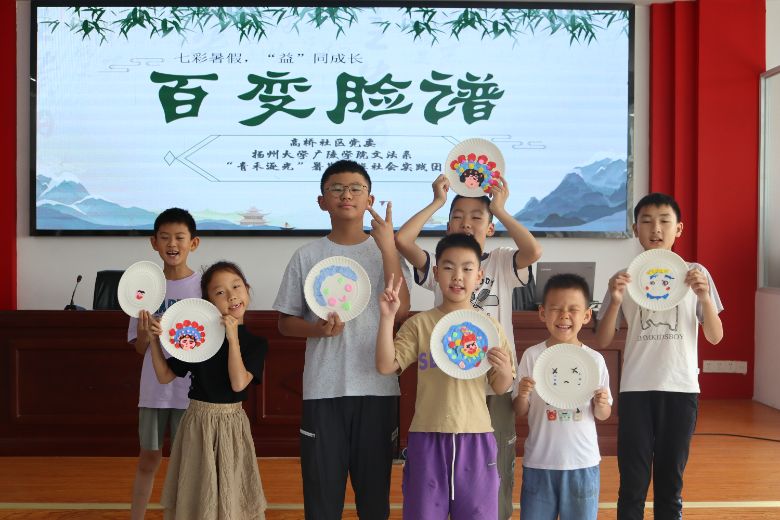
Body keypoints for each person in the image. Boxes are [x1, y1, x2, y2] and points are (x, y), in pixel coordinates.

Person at [395, 173, 542, 520]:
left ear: (489, 227)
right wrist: (436, 201)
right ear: (447, 226)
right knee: (435, 488)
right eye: (458, 216)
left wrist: (501, 209)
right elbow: (402, 239)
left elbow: (533, 251)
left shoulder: (501, 260)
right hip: (449, 388)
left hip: (495, 380)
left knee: (492, 477)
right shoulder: (441, 264)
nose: (466, 222)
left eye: (477, 217)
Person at [273, 160, 412, 520]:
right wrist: (317, 330)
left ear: (370, 200)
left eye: (355, 188)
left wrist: (388, 247)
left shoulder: (386, 252)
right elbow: (285, 323)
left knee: (374, 501)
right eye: (336, 188)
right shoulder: (307, 255)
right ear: (322, 201)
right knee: (322, 500)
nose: (346, 195)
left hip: (378, 390)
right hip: (323, 390)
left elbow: (402, 310)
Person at [594, 192, 724, 520]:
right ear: (635, 229)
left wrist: (705, 298)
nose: (656, 228)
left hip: (681, 388)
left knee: (670, 483)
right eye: (647, 221)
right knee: (632, 483)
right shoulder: (625, 276)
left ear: (678, 229)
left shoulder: (696, 273)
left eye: (665, 221)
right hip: (636, 389)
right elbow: (603, 339)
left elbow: (715, 335)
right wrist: (614, 300)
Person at [376, 233, 515, 520]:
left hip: (476, 437)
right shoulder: (420, 324)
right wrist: (387, 317)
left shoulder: (489, 328)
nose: (458, 276)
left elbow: (501, 386)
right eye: (449, 267)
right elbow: (386, 366)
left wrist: (504, 371)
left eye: (467, 268)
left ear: (479, 276)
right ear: (437, 273)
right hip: (427, 436)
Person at [148, 261, 268, 519]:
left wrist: (233, 339)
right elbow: (165, 376)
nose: (231, 295)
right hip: (198, 423)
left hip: (232, 424)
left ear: (247, 289)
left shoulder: (256, 343)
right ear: (208, 302)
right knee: (197, 492)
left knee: (232, 492)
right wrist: (154, 341)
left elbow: (238, 383)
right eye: (220, 292)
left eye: (236, 286)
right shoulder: (200, 338)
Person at [513, 273, 612, 520]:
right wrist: (522, 394)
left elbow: (603, 414)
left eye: (573, 310)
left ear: (587, 315)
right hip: (539, 462)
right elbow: (519, 409)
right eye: (556, 309)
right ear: (542, 313)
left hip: (582, 463)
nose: (564, 316)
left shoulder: (594, 360)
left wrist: (601, 404)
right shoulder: (532, 356)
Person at [128, 207, 201, 520]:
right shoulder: (144, 289)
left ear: (193, 243)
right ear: (153, 242)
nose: (172, 244)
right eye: (165, 237)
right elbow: (139, 347)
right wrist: (147, 334)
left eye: (180, 237)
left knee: (189, 464)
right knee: (149, 459)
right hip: (154, 391)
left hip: (191, 391)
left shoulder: (203, 287)